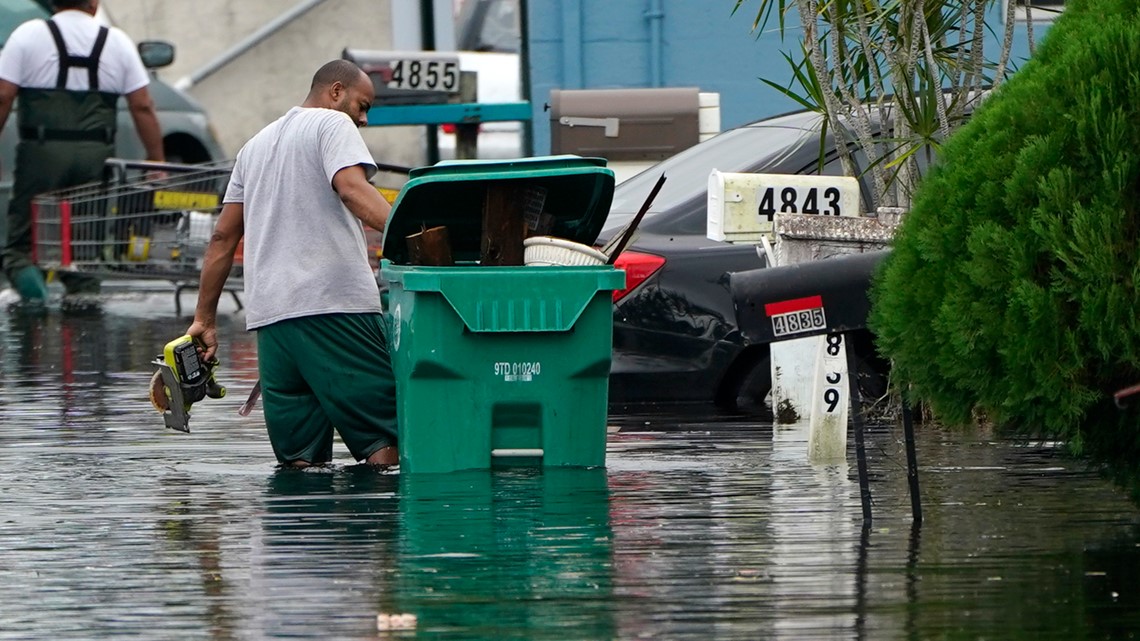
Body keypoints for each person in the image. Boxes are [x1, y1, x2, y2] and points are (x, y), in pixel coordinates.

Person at [186, 60, 398, 469]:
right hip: (336, 309)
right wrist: (412, 237)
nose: (364, 119)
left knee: (300, 464)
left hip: (274, 325)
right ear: (336, 91)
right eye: (362, 105)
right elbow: (353, 189)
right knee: (384, 443)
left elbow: (222, 238)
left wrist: (205, 320)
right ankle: (379, 532)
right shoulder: (331, 126)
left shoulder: (254, 147)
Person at [0, 0, 165, 303]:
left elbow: (3, 96)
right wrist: (157, 159)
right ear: (94, 3)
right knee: (83, 245)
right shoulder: (115, 40)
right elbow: (142, 105)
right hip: (94, 157)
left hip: (41, 155)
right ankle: (83, 316)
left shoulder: (28, 35)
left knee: (20, 248)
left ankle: (35, 304)